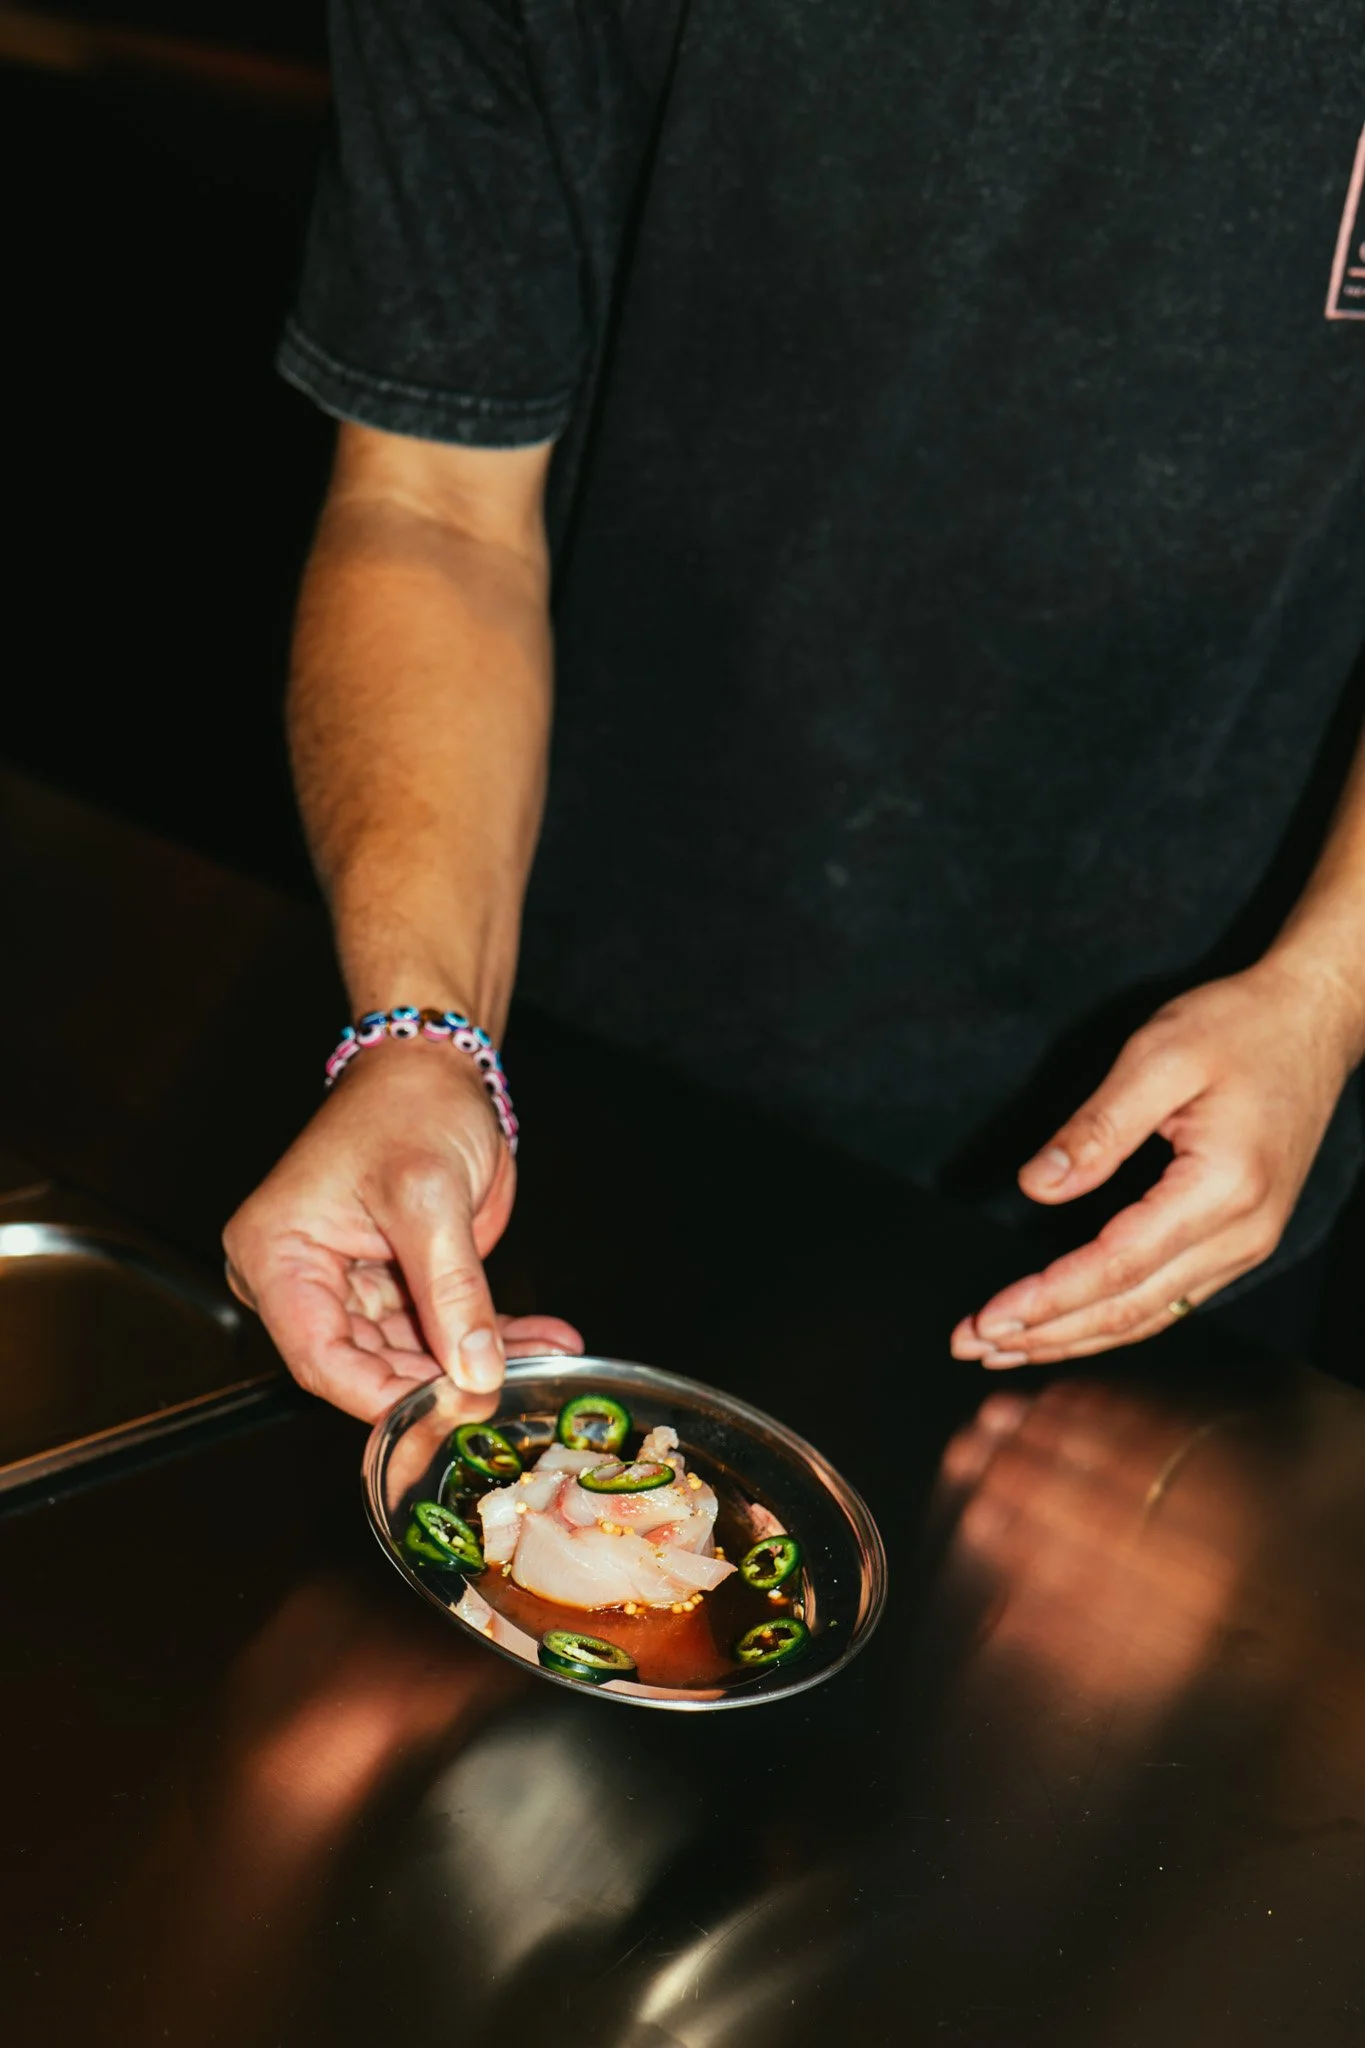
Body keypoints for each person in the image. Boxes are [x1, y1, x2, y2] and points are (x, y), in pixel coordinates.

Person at [225, 0, 1365, 1418]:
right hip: (573, 1101)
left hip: (1213, 1130)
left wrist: (1332, 985)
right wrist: (422, 1032)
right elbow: (435, 506)